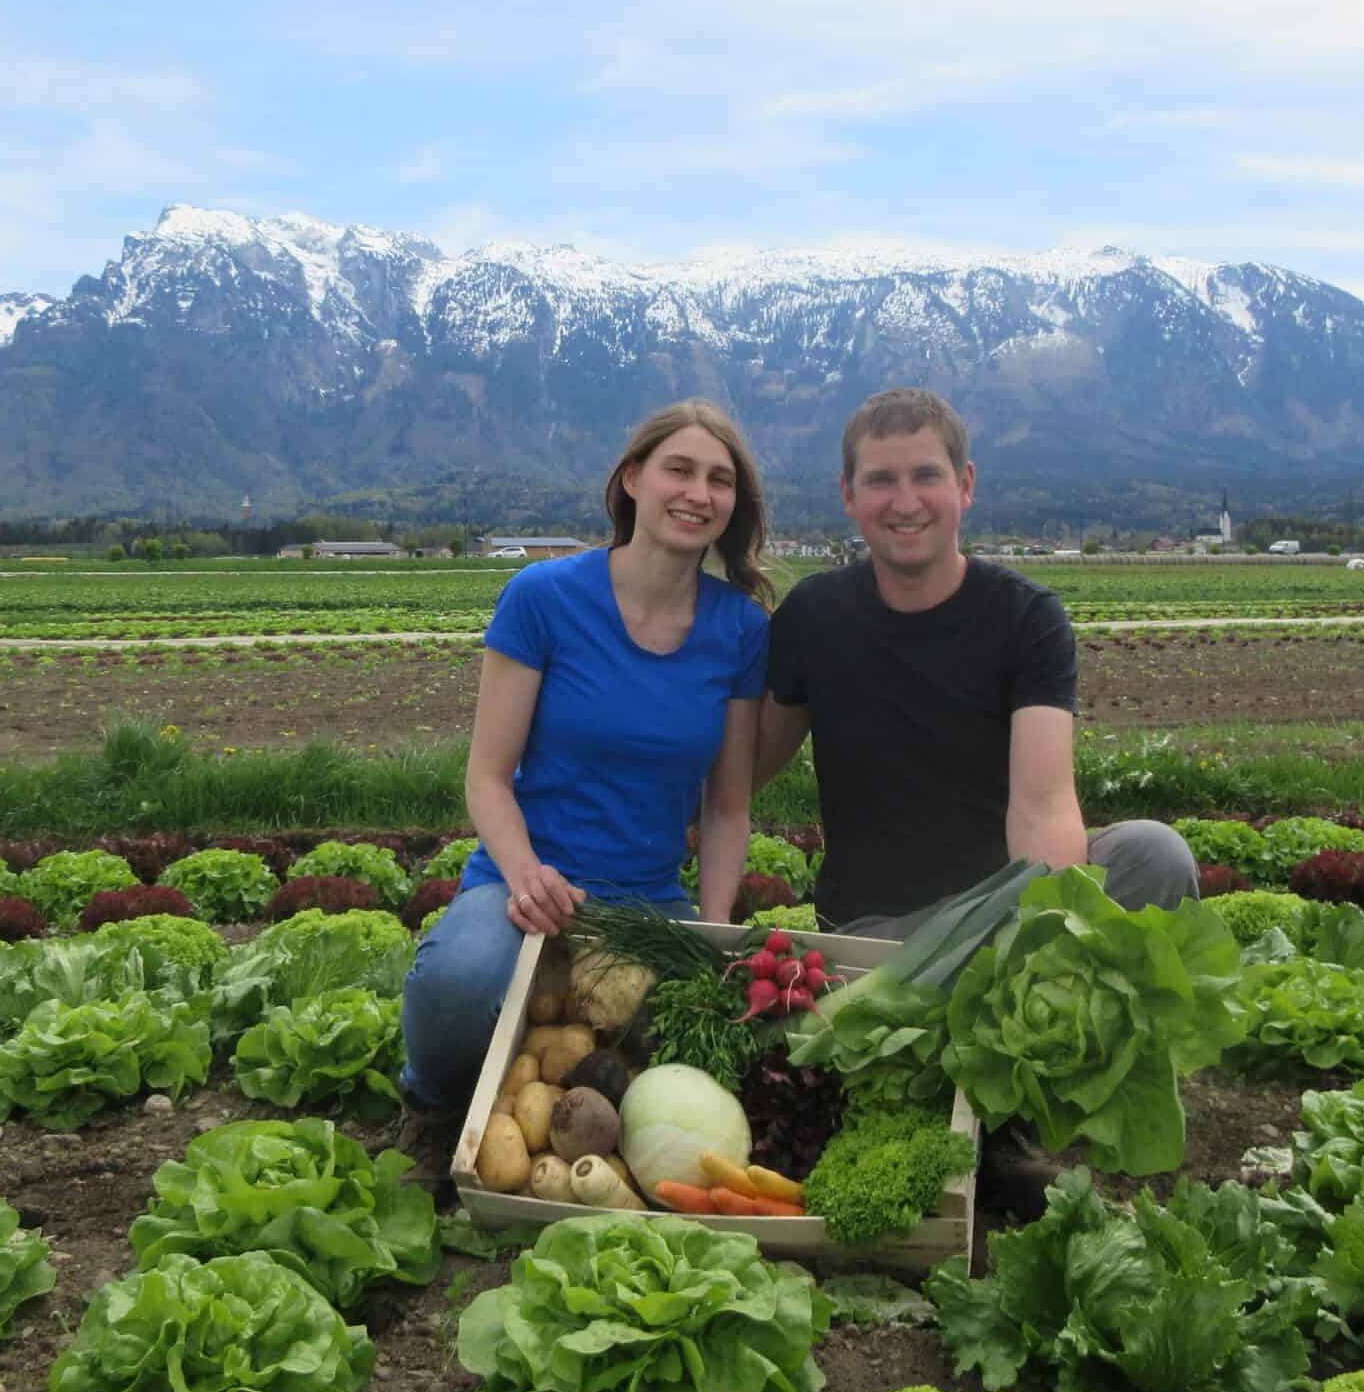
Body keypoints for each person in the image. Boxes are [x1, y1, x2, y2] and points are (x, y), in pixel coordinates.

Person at [392, 400, 774, 1180]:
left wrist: (710, 933)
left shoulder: (740, 628)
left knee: (713, 1046)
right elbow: (488, 776)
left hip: (645, 904)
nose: (698, 492)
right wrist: (528, 874)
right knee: (458, 984)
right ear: (632, 478)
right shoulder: (544, 598)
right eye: (679, 468)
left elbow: (727, 804)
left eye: (719, 479)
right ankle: (433, 1109)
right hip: (522, 884)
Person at [753, 386, 1196, 933]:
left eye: (926, 476)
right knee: (913, 956)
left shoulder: (1026, 617)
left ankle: (1013, 974)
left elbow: (1045, 808)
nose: (906, 501)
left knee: (1154, 854)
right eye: (881, 480)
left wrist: (1051, 936)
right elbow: (744, 770)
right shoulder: (813, 616)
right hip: (880, 929)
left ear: (965, 486)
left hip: (1002, 905)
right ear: (848, 494)